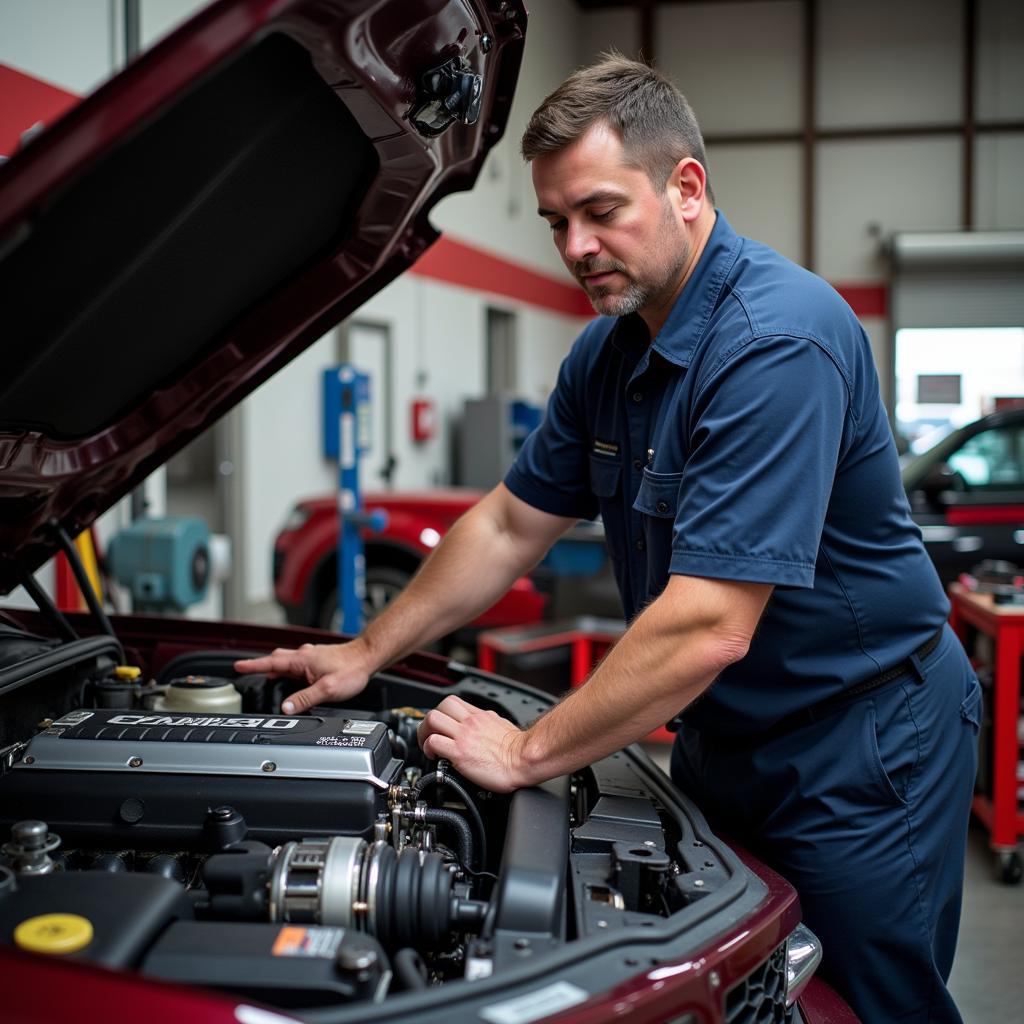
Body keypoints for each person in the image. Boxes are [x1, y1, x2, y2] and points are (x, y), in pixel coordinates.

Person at [237, 55, 979, 1023]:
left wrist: (530, 750)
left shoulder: (774, 341)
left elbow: (709, 622)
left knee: (870, 1003)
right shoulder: (609, 350)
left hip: (864, 742)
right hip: (729, 733)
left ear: (685, 187)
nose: (576, 245)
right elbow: (508, 523)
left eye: (599, 210)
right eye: (554, 222)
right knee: (756, 998)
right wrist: (365, 650)